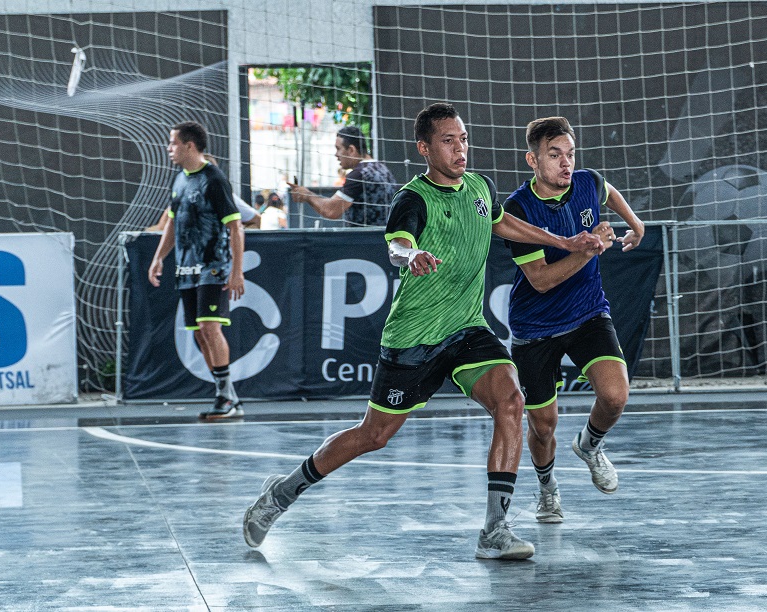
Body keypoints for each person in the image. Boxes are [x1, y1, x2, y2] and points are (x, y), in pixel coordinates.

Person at [242, 103, 604, 559]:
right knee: (373, 435)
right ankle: (283, 491)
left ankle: (495, 529)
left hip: (468, 329)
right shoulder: (412, 199)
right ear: (425, 148)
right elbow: (398, 242)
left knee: (512, 401)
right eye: (449, 141)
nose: (461, 149)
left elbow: (503, 222)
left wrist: (564, 242)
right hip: (416, 337)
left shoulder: (479, 186)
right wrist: (410, 256)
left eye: (464, 139)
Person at [503, 116, 645, 523]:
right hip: (536, 329)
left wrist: (635, 223)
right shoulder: (518, 210)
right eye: (554, 155)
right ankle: (547, 488)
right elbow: (541, 280)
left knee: (616, 396)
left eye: (570, 154)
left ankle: (589, 445)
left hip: (587, 314)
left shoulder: (585, 182)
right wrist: (587, 250)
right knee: (544, 425)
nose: (566, 163)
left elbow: (608, 191)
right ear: (532, 160)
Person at [147, 121, 246, 421]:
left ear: (190, 146)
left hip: (213, 266)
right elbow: (173, 225)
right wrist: (158, 258)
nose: (169, 149)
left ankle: (225, 399)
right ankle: (230, 397)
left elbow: (236, 226)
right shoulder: (179, 180)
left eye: (173, 143)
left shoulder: (213, 179)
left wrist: (236, 271)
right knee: (199, 336)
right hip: (186, 268)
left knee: (209, 327)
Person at [286, 125, 398, 227]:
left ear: (351, 150)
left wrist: (307, 195)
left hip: (365, 243)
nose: (336, 154)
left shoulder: (359, 174)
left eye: (338, 148)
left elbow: (331, 211)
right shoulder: (384, 170)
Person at [145, 156, 261, 231]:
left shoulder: (227, 197)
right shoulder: (182, 198)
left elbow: (256, 220)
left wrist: (236, 235)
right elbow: (160, 229)